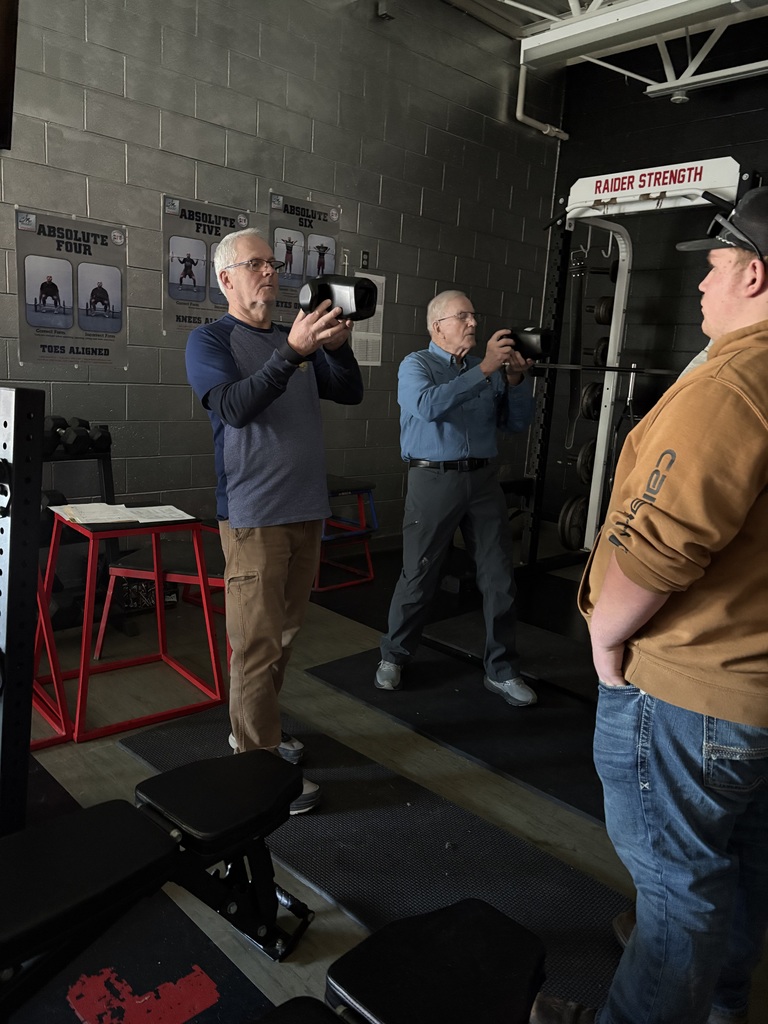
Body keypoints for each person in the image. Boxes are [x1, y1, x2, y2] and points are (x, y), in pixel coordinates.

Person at [532, 186, 768, 1024]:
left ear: (756, 274)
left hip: (691, 694)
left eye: (713, 267)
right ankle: (718, 1010)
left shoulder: (734, 386)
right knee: (734, 876)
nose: (703, 285)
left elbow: (658, 543)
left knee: (675, 896)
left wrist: (603, 640)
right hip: (754, 700)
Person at [185, 228, 364, 815]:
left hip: (305, 509)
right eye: (254, 263)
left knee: (283, 639)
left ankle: (255, 733)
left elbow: (352, 393)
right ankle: (256, 767)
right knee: (255, 646)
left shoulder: (300, 340)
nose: (270, 272)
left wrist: (333, 346)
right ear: (225, 279)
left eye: (272, 263)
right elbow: (234, 409)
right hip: (254, 517)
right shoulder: (209, 341)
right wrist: (292, 352)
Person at [376, 290, 537, 706]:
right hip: (434, 480)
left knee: (499, 576)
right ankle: (395, 655)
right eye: (462, 316)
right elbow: (428, 406)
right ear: (437, 327)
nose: (472, 323)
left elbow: (516, 424)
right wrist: (485, 368)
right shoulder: (416, 365)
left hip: (483, 481)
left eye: (473, 315)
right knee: (419, 573)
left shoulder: (487, 372)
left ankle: (502, 671)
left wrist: (515, 381)